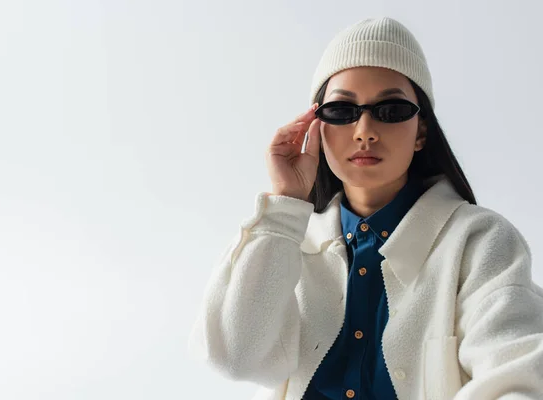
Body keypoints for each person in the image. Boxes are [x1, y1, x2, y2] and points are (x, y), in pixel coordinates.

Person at [187, 16, 543, 400]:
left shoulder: (478, 242)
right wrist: (284, 207)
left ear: (421, 131)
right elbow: (234, 359)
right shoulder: (288, 244)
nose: (364, 131)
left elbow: (517, 372)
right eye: (341, 111)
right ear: (316, 127)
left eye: (391, 110)